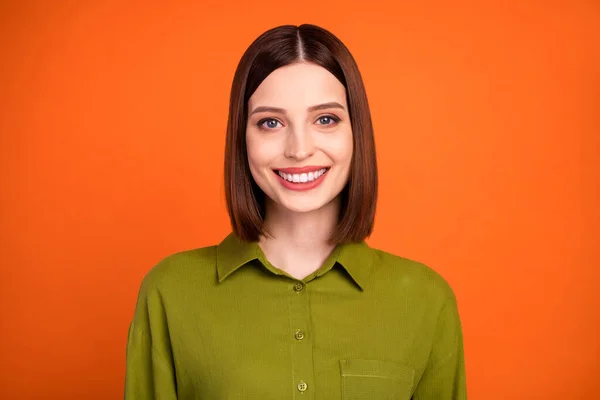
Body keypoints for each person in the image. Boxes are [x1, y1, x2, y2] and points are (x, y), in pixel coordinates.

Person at [124, 24, 467, 399]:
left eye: (325, 119)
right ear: (243, 138)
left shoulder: (426, 301)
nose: (299, 149)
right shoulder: (171, 292)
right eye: (270, 123)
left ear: (357, 133)